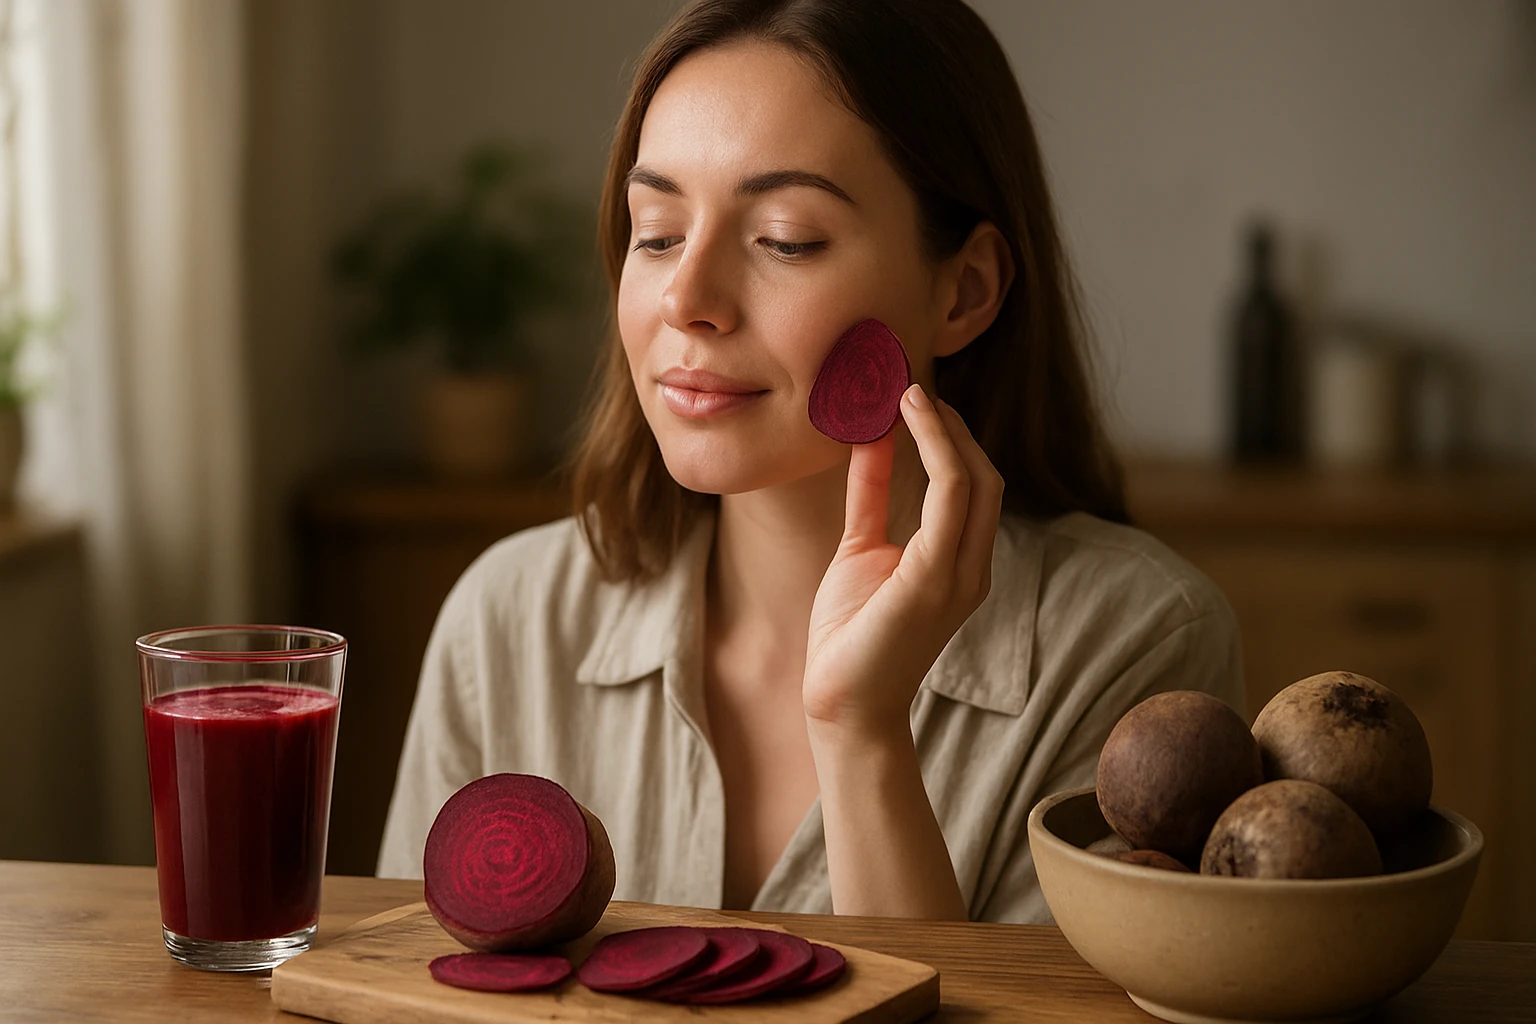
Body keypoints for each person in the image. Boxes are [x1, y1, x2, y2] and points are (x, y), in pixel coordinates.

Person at [377, 0, 1240, 923]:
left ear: (966, 290)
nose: (687, 298)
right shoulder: (507, 619)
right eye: (658, 232)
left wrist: (861, 731)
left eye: (785, 239)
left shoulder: (1136, 642)